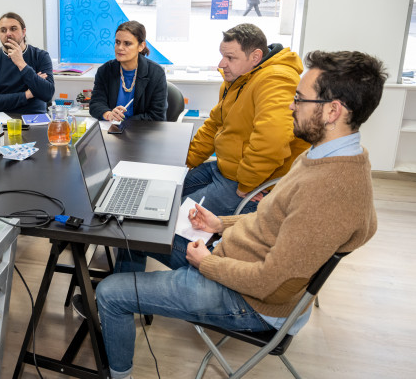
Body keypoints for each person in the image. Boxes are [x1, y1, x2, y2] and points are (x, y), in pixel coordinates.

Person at [95, 50, 386, 379]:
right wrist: (221, 223)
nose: (291, 106)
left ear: (333, 111)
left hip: (250, 301)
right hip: (233, 258)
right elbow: (277, 219)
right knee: (132, 229)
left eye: (299, 99)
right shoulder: (332, 154)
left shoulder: (330, 190)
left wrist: (207, 263)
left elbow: (271, 285)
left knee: (110, 293)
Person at [184, 23, 309, 216]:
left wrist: (248, 183)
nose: (221, 64)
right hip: (226, 168)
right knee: (171, 194)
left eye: (230, 58)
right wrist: (188, 160)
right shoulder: (237, 79)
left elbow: (273, 140)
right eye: (222, 55)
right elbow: (215, 125)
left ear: (256, 57)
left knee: (179, 216)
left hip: (251, 181)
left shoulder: (276, 79)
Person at [89, 21, 167, 122]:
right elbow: (95, 104)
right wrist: (108, 115)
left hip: (142, 132)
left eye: (127, 43)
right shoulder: (105, 70)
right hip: (112, 131)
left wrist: (124, 123)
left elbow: (157, 116)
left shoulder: (156, 73)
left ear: (141, 46)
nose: (120, 48)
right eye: (117, 42)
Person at [0, 12, 55, 113]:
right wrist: (27, 95)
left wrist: (21, 63)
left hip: (34, 116)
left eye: (13, 29)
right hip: (1, 118)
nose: (8, 33)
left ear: (24, 32)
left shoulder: (41, 56)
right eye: (3, 30)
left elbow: (47, 93)